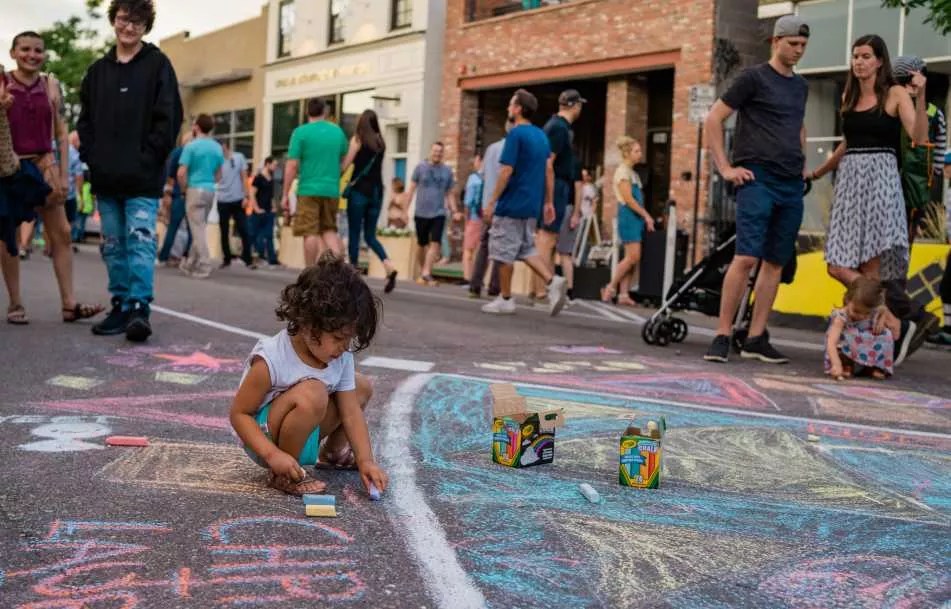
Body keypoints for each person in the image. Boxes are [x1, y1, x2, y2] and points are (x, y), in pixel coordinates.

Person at [809, 34, 928, 366]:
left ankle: (863, 351)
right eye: (855, 56)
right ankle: (889, 317)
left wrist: (921, 97)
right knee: (837, 265)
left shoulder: (895, 93)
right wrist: (817, 173)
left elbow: (919, 137)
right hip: (850, 182)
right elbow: (848, 142)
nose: (859, 62)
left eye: (865, 56)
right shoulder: (848, 96)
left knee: (870, 268)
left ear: (879, 61)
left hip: (880, 181)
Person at [229, 255, 389, 497]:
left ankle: (332, 454)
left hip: (305, 429)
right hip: (265, 441)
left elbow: (351, 412)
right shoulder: (271, 357)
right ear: (307, 323)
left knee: (360, 387)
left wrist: (366, 460)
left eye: (349, 338)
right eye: (338, 338)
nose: (344, 347)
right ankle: (284, 476)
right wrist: (272, 455)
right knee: (313, 392)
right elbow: (240, 414)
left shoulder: (340, 356)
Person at [703, 15, 810, 364]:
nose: (798, 50)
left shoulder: (801, 86)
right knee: (746, 257)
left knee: (775, 261)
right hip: (757, 178)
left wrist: (803, 163)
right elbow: (713, 118)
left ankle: (755, 337)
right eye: (793, 44)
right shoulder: (753, 78)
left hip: (790, 183)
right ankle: (722, 333)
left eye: (803, 45)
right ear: (775, 42)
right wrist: (725, 168)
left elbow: (799, 125)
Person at [78, 0, 183, 341]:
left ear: (146, 26)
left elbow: (169, 119)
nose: (129, 26)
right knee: (112, 245)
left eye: (138, 21)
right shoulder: (98, 71)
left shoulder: (158, 65)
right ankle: (120, 305)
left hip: (142, 179)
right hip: (106, 178)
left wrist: (147, 159)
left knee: (140, 242)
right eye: (124, 18)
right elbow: (85, 122)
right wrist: (94, 159)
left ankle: (139, 308)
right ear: (114, 20)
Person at [2, 32, 104, 326]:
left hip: (43, 165)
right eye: (25, 49)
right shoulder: (3, 82)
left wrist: (62, 174)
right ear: (13, 53)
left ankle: (69, 304)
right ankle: (15, 303)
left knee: (62, 233)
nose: (32, 55)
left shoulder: (50, 84)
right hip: (10, 168)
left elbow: (60, 131)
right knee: (8, 238)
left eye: (38, 50)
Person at [481, 88, 567, 316]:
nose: (508, 108)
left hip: (511, 202)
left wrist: (491, 201)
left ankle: (505, 298)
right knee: (525, 248)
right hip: (531, 205)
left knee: (503, 252)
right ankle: (553, 281)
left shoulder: (516, 134)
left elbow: (506, 170)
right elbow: (549, 170)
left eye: (511, 104)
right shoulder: (541, 136)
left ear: (518, 109)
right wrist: (548, 202)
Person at [878, 55, 942, 342]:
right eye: (905, 81)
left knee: (895, 261)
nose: (910, 86)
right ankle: (903, 317)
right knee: (885, 261)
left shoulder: (929, 112)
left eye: (914, 80)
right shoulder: (891, 104)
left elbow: (935, 160)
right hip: (892, 192)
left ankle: (904, 318)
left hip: (909, 198)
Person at [281, 98, 348, 266]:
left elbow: (292, 165)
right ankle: (338, 267)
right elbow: (344, 159)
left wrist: (285, 194)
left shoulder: (300, 133)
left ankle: (310, 271)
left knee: (309, 232)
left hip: (308, 189)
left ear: (307, 112)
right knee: (329, 230)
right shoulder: (337, 132)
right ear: (325, 111)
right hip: (331, 190)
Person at [532, 89, 584, 303]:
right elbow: (548, 162)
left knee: (549, 239)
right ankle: (541, 290)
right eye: (579, 105)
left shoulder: (558, 126)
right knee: (547, 238)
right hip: (555, 185)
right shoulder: (559, 128)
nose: (580, 109)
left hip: (556, 185)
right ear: (575, 106)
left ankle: (543, 289)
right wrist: (549, 196)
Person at [341, 109, 398, 293]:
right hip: (377, 193)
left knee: (354, 233)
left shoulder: (358, 140)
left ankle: (353, 276)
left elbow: (345, 166)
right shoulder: (381, 142)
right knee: (370, 236)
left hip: (359, 192)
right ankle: (388, 265)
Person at [601, 136, 656, 306]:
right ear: (627, 153)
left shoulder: (632, 173)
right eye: (636, 151)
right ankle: (610, 287)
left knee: (631, 258)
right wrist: (646, 215)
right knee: (633, 256)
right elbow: (629, 199)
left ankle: (624, 294)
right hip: (628, 216)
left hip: (635, 217)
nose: (640, 154)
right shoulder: (623, 172)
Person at [403, 142, 460, 286]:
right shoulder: (420, 168)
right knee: (421, 244)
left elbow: (450, 193)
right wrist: (404, 211)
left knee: (435, 243)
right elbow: (411, 190)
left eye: (440, 151)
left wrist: (454, 211)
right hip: (421, 213)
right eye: (435, 151)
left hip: (439, 212)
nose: (437, 154)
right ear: (430, 151)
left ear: (443, 153)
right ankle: (423, 271)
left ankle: (426, 272)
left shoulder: (447, 171)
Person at [468, 118, 511, 299]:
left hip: (488, 205)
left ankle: (475, 285)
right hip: (503, 205)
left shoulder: (491, 148)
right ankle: (495, 286)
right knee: (501, 248)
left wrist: (486, 203)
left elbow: (483, 175)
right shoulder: (512, 150)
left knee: (485, 246)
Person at [177, 114, 224, 279]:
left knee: (197, 228)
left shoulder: (191, 147)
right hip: (210, 189)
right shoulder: (217, 147)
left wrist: (184, 188)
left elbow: (181, 172)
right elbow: (219, 175)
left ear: (196, 127)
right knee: (200, 228)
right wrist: (210, 181)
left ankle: (204, 264)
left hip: (194, 188)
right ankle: (191, 263)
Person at [825, 277, 898, 381]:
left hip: (863, 339)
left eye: (867, 313)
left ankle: (874, 366)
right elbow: (831, 342)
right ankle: (846, 364)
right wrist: (836, 364)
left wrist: (881, 320)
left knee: (886, 334)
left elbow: (883, 309)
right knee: (849, 335)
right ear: (848, 300)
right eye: (856, 311)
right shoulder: (841, 317)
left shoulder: (871, 308)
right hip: (848, 343)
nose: (861, 316)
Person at [217, 141, 254, 269]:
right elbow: (215, 177)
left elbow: (244, 177)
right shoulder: (217, 160)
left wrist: (246, 196)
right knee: (224, 230)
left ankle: (248, 259)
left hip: (238, 199)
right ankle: (226, 258)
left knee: (244, 229)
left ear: (225, 145)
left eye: (220, 146)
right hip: (222, 200)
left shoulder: (238, 157)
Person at [157, 132, 192, 266]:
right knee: (192, 229)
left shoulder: (178, 152)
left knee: (173, 226)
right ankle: (186, 257)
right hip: (193, 193)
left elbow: (171, 174)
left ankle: (164, 256)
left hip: (179, 194)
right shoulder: (196, 152)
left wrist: (168, 193)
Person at [250, 155, 280, 267]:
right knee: (258, 235)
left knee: (269, 235)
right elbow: (252, 194)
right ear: (267, 164)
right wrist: (256, 208)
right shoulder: (258, 178)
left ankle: (272, 259)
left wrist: (274, 207)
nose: (275, 167)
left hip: (269, 211)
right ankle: (260, 256)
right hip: (259, 211)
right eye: (274, 165)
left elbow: (271, 195)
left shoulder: (271, 178)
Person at [462, 154, 484, 283]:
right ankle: (479, 278)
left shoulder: (473, 178)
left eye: (475, 160)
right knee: (480, 249)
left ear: (480, 161)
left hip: (474, 217)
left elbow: (468, 202)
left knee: (468, 249)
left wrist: (466, 219)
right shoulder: (491, 177)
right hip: (486, 219)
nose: (474, 163)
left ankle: (467, 277)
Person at [73, 170, 95, 243]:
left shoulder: (79, 185)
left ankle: (75, 237)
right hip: (87, 207)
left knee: (76, 222)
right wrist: (93, 208)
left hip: (78, 205)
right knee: (82, 223)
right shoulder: (90, 186)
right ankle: (80, 237)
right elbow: (93, 198)